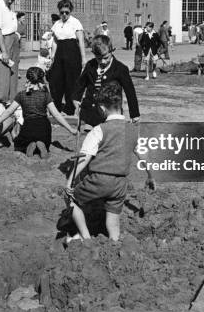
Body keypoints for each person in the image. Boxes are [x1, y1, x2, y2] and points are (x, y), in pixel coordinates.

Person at [64, 82, 155, 242]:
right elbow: (144, 156)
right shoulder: (133, 131)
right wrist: (151, 176)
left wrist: (70, 181)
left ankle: (86, 237)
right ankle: (114, 242)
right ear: (121, 105)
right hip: (120, 184)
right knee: (113, 219)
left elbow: (84, 158)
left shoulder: (98, 130)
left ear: (102, 109)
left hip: (98, 180)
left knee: (71, 199)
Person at [0, 67, 77, 158]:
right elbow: (56, 114)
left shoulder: (21, 95)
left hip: (28, 127)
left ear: (28, 79)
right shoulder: (45, 95)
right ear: (41, 79)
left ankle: (29, 145)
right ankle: (40, 142)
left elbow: (9, 111)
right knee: (45, 139)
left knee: (18, 143)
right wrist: (70, 129)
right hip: (43, 128)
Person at [73, 35, 140, 127]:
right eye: (99, 58)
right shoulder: (90, 65)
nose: (103, 61)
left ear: (111, 51)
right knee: (91, 138)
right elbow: (81, 83)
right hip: (89, 112)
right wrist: (76, 98)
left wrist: (134, 114)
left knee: (110, 138)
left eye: (106, 57)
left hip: (111, 113)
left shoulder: (120, 69)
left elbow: (130, 92)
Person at [49, 0, 86, 115]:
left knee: (71, 81)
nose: (64, 15)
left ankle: (69, 109)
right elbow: (55, 41)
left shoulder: (75, 22)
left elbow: (81, 41)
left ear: (70, 12)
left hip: (72, 52)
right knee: (56, 80)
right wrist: (52, 56)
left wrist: (84, 58)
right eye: (62, 12)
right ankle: (56, 107)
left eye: (67, 12)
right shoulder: (57, 24)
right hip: (60, 52)